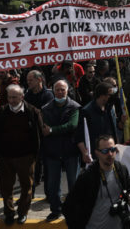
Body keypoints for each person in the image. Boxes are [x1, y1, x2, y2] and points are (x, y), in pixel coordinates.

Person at [62, 135, 130, 229]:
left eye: (112, 149)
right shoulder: (87, 176)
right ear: (97, 153)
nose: (110, 154)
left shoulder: (121, 170)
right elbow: (68, 207)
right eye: (105, 151)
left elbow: (129, 189)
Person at [0, 84, 42, 225]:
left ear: (22, 96)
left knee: (26, 186)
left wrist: (35, 155)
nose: (12, 100)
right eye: (9, 97)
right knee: (6, 188)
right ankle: (9, 213)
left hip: (26, 156)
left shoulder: (33, 112)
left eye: (15, 97)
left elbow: (38, 135)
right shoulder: (2, 112)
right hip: (6, 157)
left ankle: (22, 213)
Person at [40, 79, 80, 222]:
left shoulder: (75, 107)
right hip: (53, 152)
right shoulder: (45, 109)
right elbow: (44, 129)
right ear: (53, 90)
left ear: (67, 90)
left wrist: (52, 130)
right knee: (52, 185)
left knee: (73, 184)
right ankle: (55, 210)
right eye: (57, 89)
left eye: (63, 89)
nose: (60, 92)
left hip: (71, 151)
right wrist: (52, 131)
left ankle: (74, 210)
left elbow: (72, 125)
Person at [76, 83, 119, 164]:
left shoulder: (109, 109)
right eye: (109, 94)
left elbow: (113, 130)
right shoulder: (86, 111)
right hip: (95, 154)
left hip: (110, 152)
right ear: (101, 95)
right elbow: (79, 135)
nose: (111, 97)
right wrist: (84, 152)